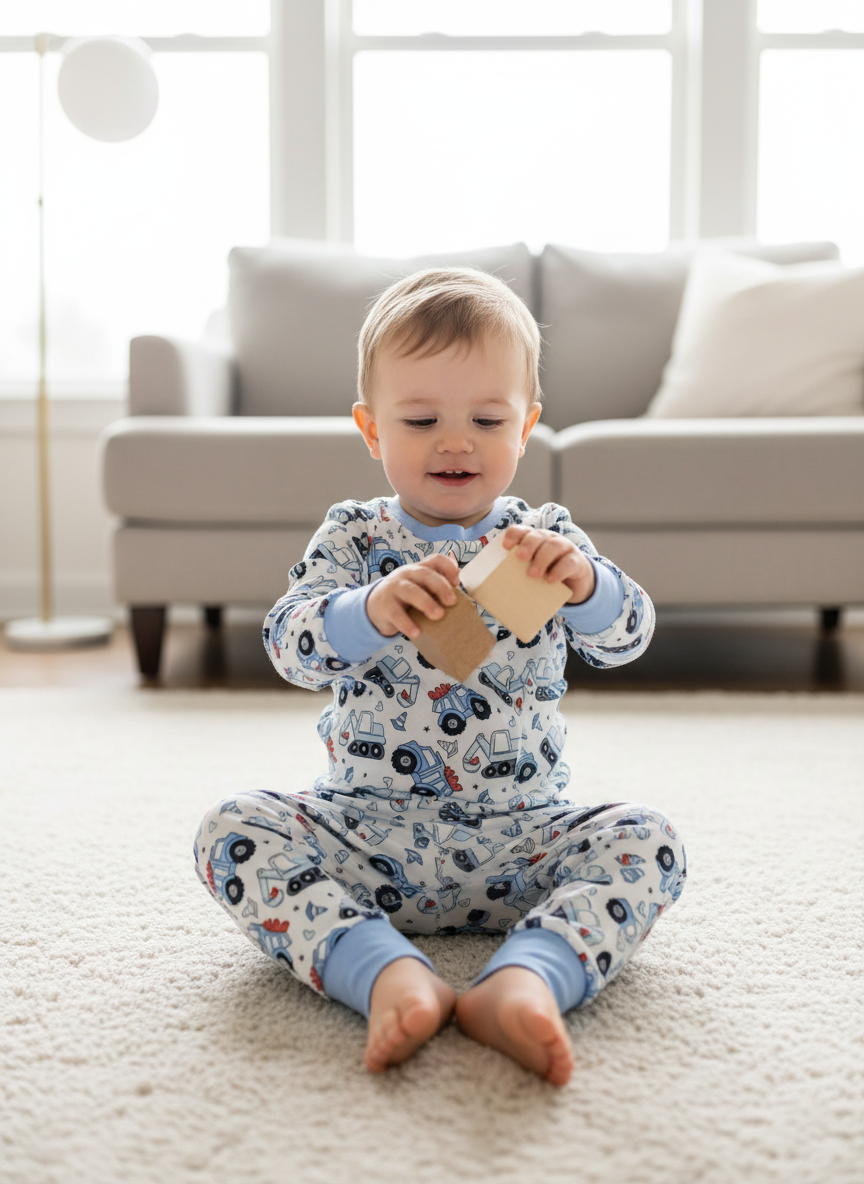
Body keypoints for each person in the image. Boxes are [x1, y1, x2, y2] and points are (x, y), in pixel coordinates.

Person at [193, 267, 687, 1087]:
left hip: (524, 837)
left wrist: (589, 585)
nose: (455, 441)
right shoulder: (354, 537)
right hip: (366, 832)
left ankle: (526, 979)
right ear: (371, 429)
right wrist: (367, 609)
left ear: (525, 427)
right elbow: (289, 645)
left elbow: (627, 639)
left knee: (649, 839)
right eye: (421, 419)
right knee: (231, 829)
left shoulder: (547, 534)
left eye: (487, 419)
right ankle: (386, 973)